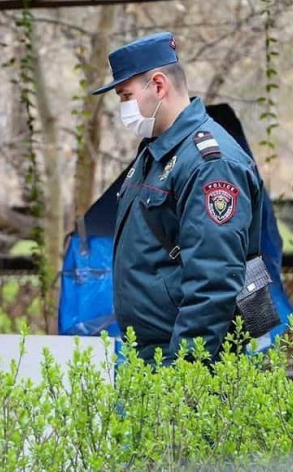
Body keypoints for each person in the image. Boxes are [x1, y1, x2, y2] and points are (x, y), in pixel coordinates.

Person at [91, 32, 264, 366]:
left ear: (158, 85)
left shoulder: (209, 163)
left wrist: (183, 373)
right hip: (148, 354)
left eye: (126, 96)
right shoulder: (155, 154)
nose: (122, 108)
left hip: (182, 361)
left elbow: (215, 281)